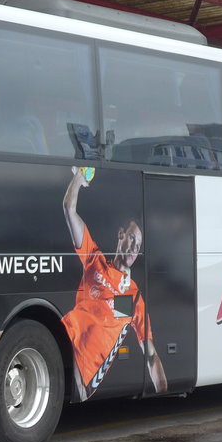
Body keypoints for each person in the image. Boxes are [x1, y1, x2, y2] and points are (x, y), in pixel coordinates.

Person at [62, 166, 167, 399]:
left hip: (82, 372)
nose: (133, 247)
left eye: (138, 245)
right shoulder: (94, 260)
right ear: (121, 235)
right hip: (60, 340)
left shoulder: (133, 297)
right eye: (131, 237)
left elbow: (151, 357)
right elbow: (69, 208)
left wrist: (164, 399)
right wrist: (78, 179)